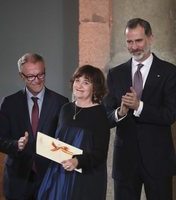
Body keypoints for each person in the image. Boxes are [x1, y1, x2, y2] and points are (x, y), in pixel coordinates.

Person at [104, 18, 176, 200]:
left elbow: (170, 115)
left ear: (151, 38)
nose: (134, 47)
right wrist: (119, 113)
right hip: (125, 162)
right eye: (129, 41)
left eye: (139, 40)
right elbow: (105, 117)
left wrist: (139, 106)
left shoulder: (170, 72)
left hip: (158, 161)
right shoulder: (115, 74)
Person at [0, 53, 69, 200]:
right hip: (18, 180)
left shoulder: (61, 102)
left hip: (50, 179)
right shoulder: (9, 103)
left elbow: (66, 140)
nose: (37, 80)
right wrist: (17, 144)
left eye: (41, 74)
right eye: (31, 76)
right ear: (21, 76)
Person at [37, 65, 110, 200]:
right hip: (61, 174)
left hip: (86, 178)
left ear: (95, 88)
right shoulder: (66, 109)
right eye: (77, 80)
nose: (79, 85)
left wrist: (78, 161)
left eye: (86, 82)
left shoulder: (99, 114)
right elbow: (59, 139)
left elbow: (100, 153)